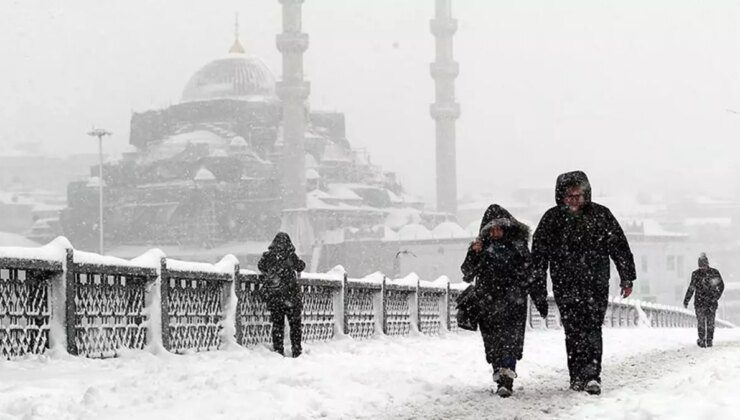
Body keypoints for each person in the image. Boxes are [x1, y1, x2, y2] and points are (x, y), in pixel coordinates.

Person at [531, 171, 636, 395]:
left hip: (595, 283)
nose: (574, 200)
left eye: (578, 195)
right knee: (573, 330)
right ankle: (576, 375)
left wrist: (627, 277)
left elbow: (619, 246)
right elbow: (538, 256)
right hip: (565, 284)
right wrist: (537, 287)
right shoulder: (551, 219)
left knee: (592, 328)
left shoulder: (601, 215)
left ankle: (591, 375)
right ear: (561, 196)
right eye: (570, 196)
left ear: (586, 194)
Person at [461, 204, 548, 398]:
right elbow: (467, 273)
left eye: (499, 227)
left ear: (508, 227)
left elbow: (531, 275)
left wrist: (539, 298)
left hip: (513, 303)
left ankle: (506, 378)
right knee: (493, 343)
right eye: (492, 228)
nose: (496, 232)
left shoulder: (518, 247)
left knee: (510, 341)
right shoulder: (481, 248)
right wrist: (473, 253)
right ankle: (500, 375)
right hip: (488, 304)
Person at [258, 232, 306, 357]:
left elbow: (261, 266)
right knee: (295, 326)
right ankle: (297, 350)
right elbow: (301, 266)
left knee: (277, 325)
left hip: (275, 297)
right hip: (291, 296)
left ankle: (278, 350)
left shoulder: (268, 256)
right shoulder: (291, 256)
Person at [683, 252, 724, 348]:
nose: (703, 268)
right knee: (703, 322)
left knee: (709, 322)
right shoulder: (709, 273)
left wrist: (715, 297)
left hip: (707, 302)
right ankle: (702, 340)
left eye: (704, 266)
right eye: (701, 266)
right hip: (703, 302)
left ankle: (709, 340)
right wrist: (686, 300)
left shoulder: (712, 273)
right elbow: (691, 288)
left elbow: (721, 286)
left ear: (707, 264)